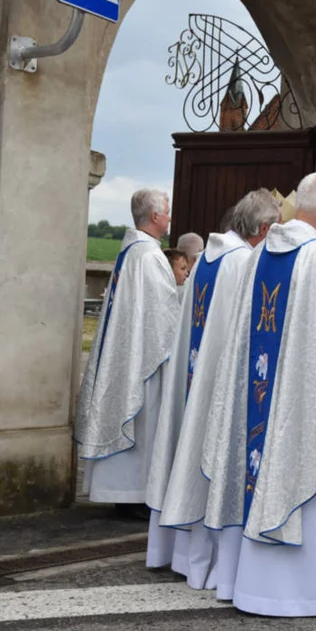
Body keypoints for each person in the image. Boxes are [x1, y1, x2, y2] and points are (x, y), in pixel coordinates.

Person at [199, 171, 316, 617]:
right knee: (308, 479)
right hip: (304, 412)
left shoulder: (257, 256)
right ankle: (311, 593)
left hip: (258, 404)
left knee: (258, 472)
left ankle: (252, 587)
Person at [149, 189, 280, 586]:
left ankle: (183, 557)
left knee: (191, 453)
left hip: (195, 384)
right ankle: (213, 566)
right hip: (220, 388)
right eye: (275, 229)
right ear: (262, 228)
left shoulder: (208, 257)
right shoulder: (243, 263)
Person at [76, 189, 180, 517]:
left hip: (131, 352)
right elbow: (163, 315)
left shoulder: (132, 252)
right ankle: (133, 494)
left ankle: (126, 494)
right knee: (143, 423)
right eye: (167, 212)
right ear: (154, 217)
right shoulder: (148, 257)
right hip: (144, 359)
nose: (169, 218)